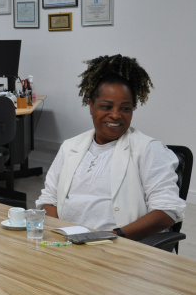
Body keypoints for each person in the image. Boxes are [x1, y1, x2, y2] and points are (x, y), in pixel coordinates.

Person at [36, 55, 186, 240]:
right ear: (91, 106)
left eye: (125, 108)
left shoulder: (149, 150)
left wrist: (112, 236)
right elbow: (48, 199)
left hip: (121, 247)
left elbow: (167, 211)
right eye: (106, 106)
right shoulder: (70, 147)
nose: (115, 115)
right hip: (68, 244)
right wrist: (61, 233)